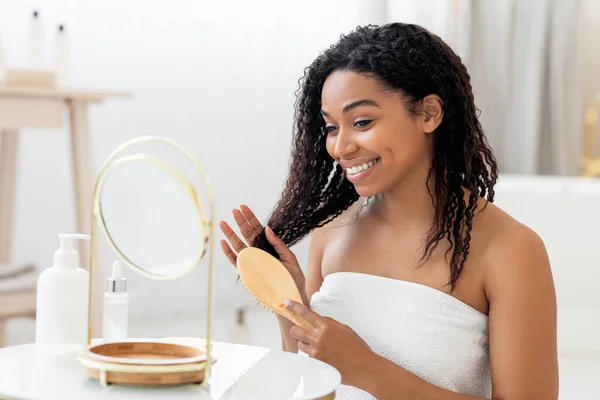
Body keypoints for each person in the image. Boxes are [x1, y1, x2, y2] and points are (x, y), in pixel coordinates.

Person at [219, 23, 558, 399]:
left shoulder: (510, 249)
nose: (340, 147)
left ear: (429, 113)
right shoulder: (333, 231)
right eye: (331, 127)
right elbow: (310, 386)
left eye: (362, 122)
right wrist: (291, 311)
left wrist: (370, 371)